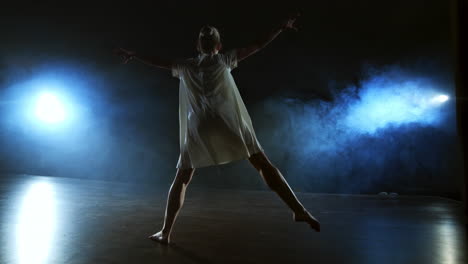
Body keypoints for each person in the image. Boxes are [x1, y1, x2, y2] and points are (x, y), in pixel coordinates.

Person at [115, 13, 320, 245]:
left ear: (197, 46)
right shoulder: (225, 60)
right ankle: (298, 209)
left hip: (199, 124)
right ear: (219, 46)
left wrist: (134, 54)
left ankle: (166, 231)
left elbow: (158, 61)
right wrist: (280, 28)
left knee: (182, 177)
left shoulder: (187, 66)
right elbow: (258, 44)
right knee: (262, 163)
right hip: (228, 121)